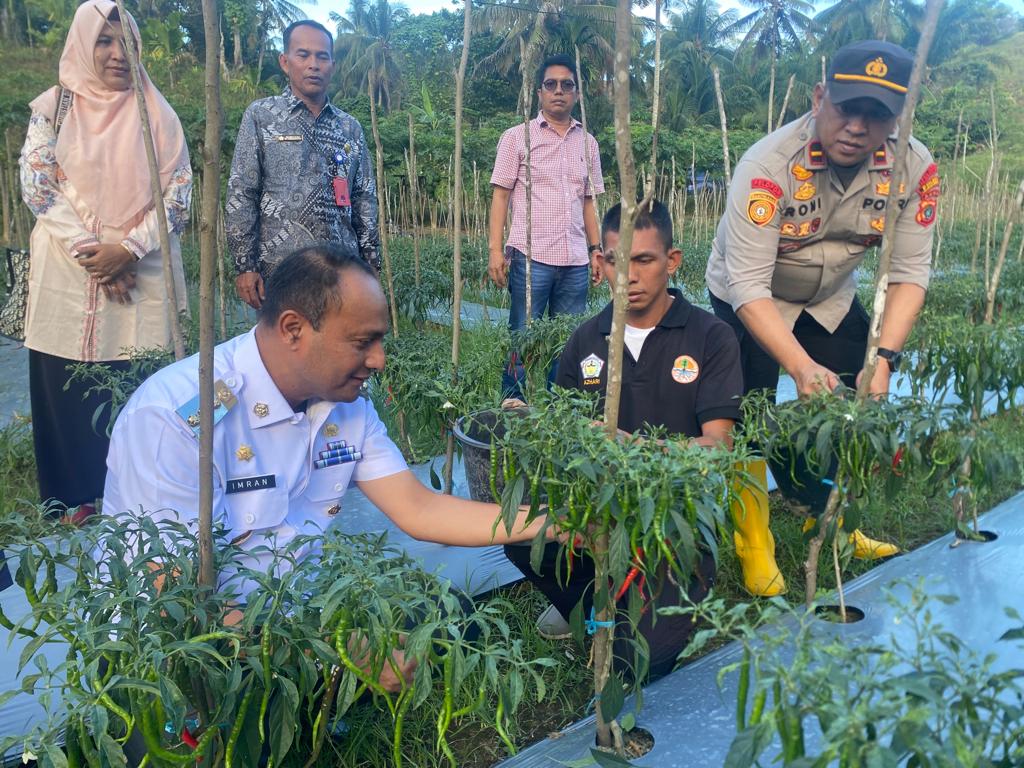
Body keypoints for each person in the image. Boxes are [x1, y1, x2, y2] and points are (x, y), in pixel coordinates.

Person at [103, 243, 557, 690]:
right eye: (362, 342)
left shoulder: (345, 406)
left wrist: (555, 523)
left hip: (291, 616)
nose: (378, 360)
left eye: (380, 340)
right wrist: (333, 651)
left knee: (452, 619)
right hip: (185, 653)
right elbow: (173, 597)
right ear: (293, 329)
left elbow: (420, 508)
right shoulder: (179, 417)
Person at [503, 200, 765, 677]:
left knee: (639, 663)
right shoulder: (585, 341)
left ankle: (634, 604)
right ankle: (586, 599)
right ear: (599, 263)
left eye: (644, 259)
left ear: (672, 260)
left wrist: (631, 445)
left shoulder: (710, 337)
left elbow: (718, 448)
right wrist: (533, 423)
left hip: (673, 517)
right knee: (521, 536)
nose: (630, 276)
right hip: (599, 514)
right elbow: (568, 435)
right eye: (615, 260)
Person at [705, 40, 937, 561]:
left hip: (829, 297)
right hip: (750, 298)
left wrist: (884, 360)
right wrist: (801, 366)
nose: (856, 127)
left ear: (897, 117)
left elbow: (909, 272)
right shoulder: (768, 165)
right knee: (748, 409)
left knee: (853, 396)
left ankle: (831, 519)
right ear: (818, 98)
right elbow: (748, 284)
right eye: (846, 108)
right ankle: (753, 536)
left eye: (876, 115)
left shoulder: (914, 168)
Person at [19, 0, 190, 521]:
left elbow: (179, 192)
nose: (118, 53)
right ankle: (73, 506)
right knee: (68, 390)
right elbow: (39, 186)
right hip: (70, 274)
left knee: (141, 386)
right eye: (104, 41)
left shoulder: (157, 112)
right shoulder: (55, 108)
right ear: (82, 45)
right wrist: (98, 256)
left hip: (144, 271)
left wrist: (129, 249)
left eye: (127, 42)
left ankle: (139, 506)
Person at [226, 20, 379, 310]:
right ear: (285, 62)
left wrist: (371, 262)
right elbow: (242, 191)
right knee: (286, 337)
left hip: (341, 271)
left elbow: (363, 197)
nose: (313, 65)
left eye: (322, 57)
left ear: (333, 65)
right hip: (280, 271)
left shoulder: (349, 127)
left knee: (339, 338)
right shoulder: (261, 116)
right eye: (303, 55)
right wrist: (245, 264)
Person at [488, 53, 604, 398]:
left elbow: (589, 202)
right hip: (531, 257)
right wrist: (495, 251)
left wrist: (596, 250)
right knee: (522, 336)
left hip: (575, 261)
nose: (558, 91)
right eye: (551, 84)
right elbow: (500, 196)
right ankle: (513, 402)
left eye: (567, 85)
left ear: (576, 93)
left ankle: (559, 407)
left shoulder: (588, 143)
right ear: (539, 92)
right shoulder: (517, 138)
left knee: (567, 341)